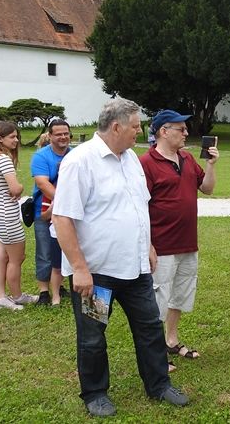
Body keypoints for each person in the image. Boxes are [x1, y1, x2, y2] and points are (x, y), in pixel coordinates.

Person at [52, 99, 188, 417]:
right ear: (116, 127)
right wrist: (81, 269)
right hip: (97, 274)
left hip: (136, 269)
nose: (141, 132)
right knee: (93, 336)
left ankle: (159, 384)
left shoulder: (129, 159)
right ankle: (95, 393)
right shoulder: (80, 163)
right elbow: (62, 219)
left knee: (150, 329)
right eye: (136, 126)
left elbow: (139, 207)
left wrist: (149, 246)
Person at [139, 109, 218, 371]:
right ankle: (155, 352)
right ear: (163, 131)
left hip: (187, 242)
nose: (186, 133)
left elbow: (206, 189)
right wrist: (148, 244)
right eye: (181, 129)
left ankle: (171, 340)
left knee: (180, 295)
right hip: (161, 245)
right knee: (158, 298)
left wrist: (210, 165)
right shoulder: (145, 163)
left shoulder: (185, 157)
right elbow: (138, 207)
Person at [0, 122, 38, 310]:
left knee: (2, 257)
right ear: (0, 139)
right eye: (12, 137)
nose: (16, 140)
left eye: (17, 136)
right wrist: (20, 188)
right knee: (17, 258)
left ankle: (0, 298)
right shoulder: (4, 159)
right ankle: (16, 296)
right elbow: (15, 188)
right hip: (8, 217)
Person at [31, 119, 72, 306]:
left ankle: (60, 286)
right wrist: (64, 201)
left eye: (66, 133)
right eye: (58, 134)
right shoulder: (41, 156)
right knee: (45, 252)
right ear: (50, 136)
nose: (63, 137)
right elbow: (42, 183)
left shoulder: (75, 155)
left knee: (63, 251)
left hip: (68, 212)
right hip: (45, 210)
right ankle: (44, 291)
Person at [40, 156, 68, 308]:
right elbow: (43, 216)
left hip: (78, 235)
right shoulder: (53, 191)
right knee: (56, 266)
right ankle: (55, 297)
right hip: (57, 234)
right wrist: (51, 209)